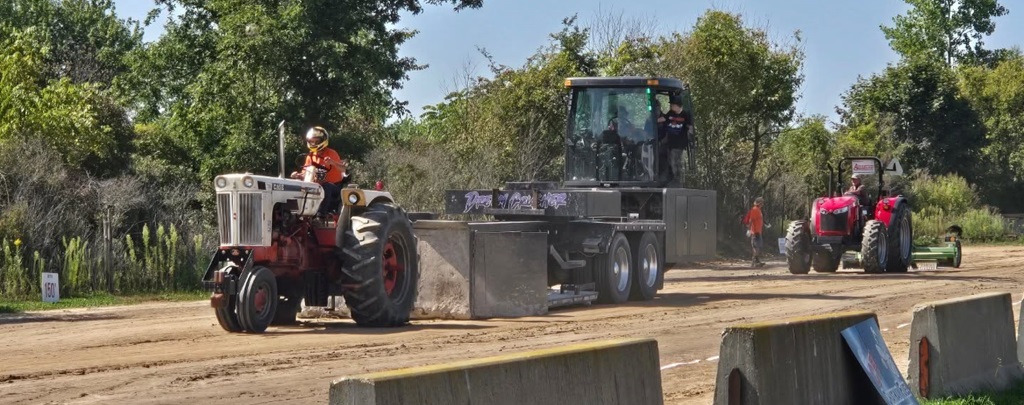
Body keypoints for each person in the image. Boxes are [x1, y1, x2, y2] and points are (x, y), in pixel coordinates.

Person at [291, 126, 347, 216]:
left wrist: (332, 162)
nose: (313, 143)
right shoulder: (310, 156)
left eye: (316, 141)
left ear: (322, 141)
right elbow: (306, 173)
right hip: (316, 186)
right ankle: (297, 214)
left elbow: (343, 169)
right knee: (298, 184)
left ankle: (321, 216)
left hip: (334, 188)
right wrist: (298, 175)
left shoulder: (331, 153)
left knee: (326, 186)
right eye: (311, 141)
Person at [661, 96, 693, 186]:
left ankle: (678, 180)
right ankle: (670, 178)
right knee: (669, 160)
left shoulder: (685, 115)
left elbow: (690, 127)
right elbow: (664, 119)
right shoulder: (670, 113)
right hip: (670, 143)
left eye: (672, 105)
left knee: (676, 161)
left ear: (677, 106)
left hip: (679, 143)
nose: (671, 106)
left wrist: (691, 135)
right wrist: (653, 120)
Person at [742, 197, 766, 268]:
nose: (763, 204)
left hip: (758, 231)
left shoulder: (758, 210)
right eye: (762, 202)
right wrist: (749, 229)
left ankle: (757, 261)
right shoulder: (755, 210)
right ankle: (754, 262)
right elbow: (751, 220)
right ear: (759, 203)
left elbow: (759, 220)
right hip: (755, 231)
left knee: (758, 247)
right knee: (756, 247)